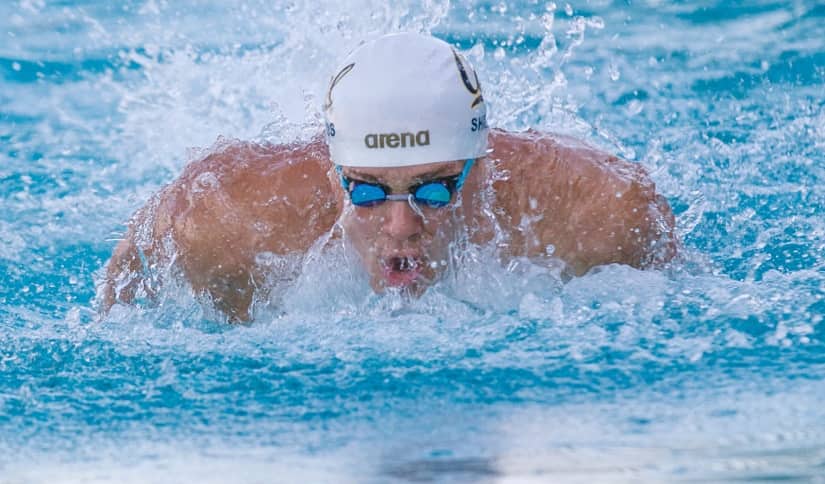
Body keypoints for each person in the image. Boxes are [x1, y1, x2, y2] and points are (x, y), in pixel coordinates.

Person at [99, 32, 677, 321]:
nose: (401, 226)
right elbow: (128, 287)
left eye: (435, 187)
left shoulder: (601, 211)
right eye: (368, 191)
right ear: (333, 180)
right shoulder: (226, 220)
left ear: (484, 170)